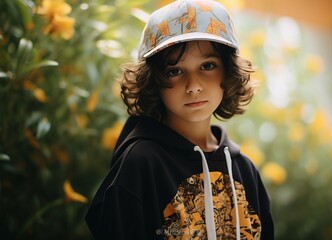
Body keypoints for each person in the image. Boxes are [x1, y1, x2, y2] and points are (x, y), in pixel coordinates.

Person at [85, 0, 274, 239]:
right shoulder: (140, 164)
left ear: (228, 72)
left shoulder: (244, 169)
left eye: (207, 65)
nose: (193, 85)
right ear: (153, 80)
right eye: (174, 70)